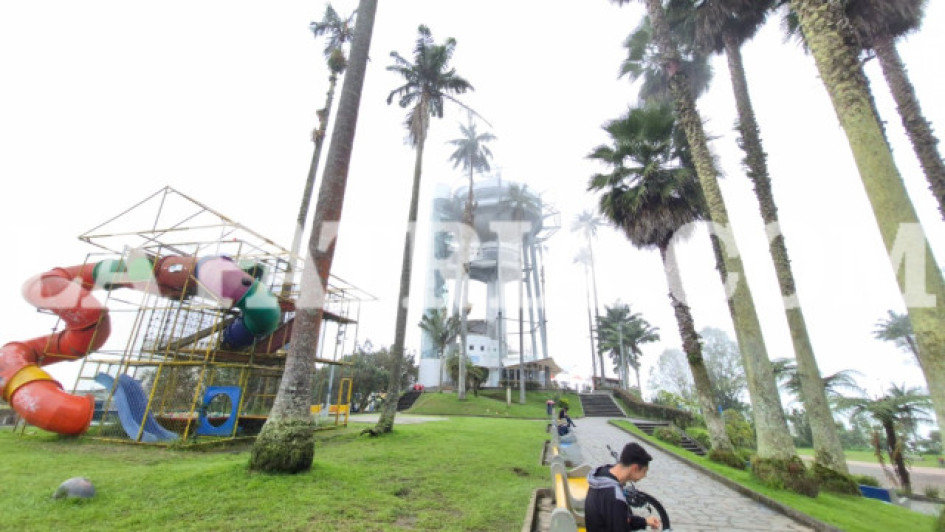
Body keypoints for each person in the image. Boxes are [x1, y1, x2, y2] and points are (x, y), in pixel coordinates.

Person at [585, 442, 660, 531]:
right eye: (644, 472)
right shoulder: (615, 497)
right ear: (635, 468)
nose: (644, 476)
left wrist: (644, 521)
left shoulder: (602, 474)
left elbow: (621, 518)